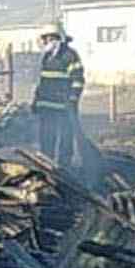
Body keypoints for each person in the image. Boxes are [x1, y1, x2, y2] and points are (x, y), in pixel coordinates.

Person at [32, 29, 87, 167]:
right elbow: (43, 82)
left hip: (64, 106)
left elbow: (78, 79)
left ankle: (64, 165)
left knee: (65, 136)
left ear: (58, 38)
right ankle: (46, 162)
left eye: (49, 38)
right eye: (45, 38)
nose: (46, 41)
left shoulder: (69, 55)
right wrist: (36, 101)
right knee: (46, 136)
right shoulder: (47, 56)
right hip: (46, 106)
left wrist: (73, 99)